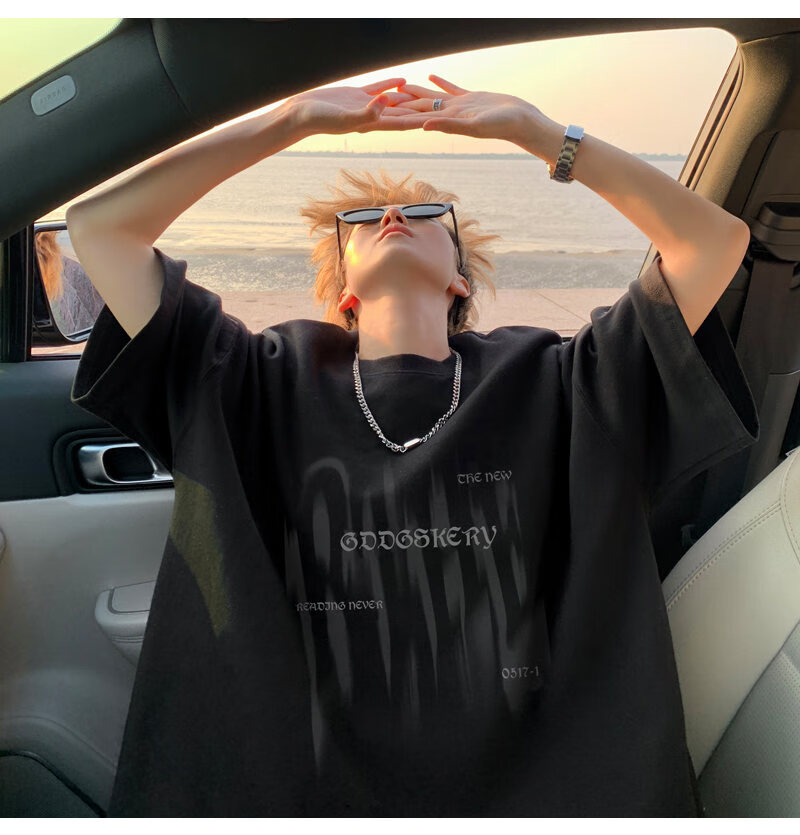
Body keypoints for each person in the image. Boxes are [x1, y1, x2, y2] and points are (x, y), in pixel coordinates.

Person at [68, 74, 758, 817]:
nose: (393, 214)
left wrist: (537, 133)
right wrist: (290, 119)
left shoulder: (562, 377)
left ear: (461, 279)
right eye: (364, 218)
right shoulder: (253, 378)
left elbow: (713, 242)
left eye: (426, 214)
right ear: (343, 292)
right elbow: (102, 228)